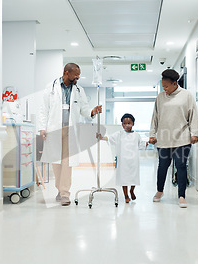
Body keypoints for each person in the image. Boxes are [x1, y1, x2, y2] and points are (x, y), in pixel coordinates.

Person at [37, 63, 103, 206]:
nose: (78, 77)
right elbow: (44, 109)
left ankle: (65, 194)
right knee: (56, 163)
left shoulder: (79, 90)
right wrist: (42, 128)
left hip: (70, 131)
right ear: (67, 73)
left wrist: (93, 111)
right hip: (54, 129)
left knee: (67, 163)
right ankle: (59, 190)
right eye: (76, 74)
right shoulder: (51, 87)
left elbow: (84, 110)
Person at [149, 69, 198, 208]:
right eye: (162, 86)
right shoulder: (160, 97)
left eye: (166, 86)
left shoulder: (186, 95)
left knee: (181, 166)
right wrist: (152, 135)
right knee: (162, 166)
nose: (164, 89)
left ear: (175, 83)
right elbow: (155, 117)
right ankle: (160, 191)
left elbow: (193, 114)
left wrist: (194, 133)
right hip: (164, 138)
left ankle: (181, 196)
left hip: (182, 137)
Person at [97, 113, 148, 203]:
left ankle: (132, 190)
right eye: (124, 123)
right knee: (123, 179)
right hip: (123, 161)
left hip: (133, 161)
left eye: (129, 123)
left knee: (133, 178)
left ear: (133, 124)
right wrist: (101, 137)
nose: (126, 125)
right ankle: (126, 196)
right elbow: (109, 138)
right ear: (122, 124)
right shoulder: (119, 134)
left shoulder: (136, 135)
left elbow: (141, 145)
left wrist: (149, 142)